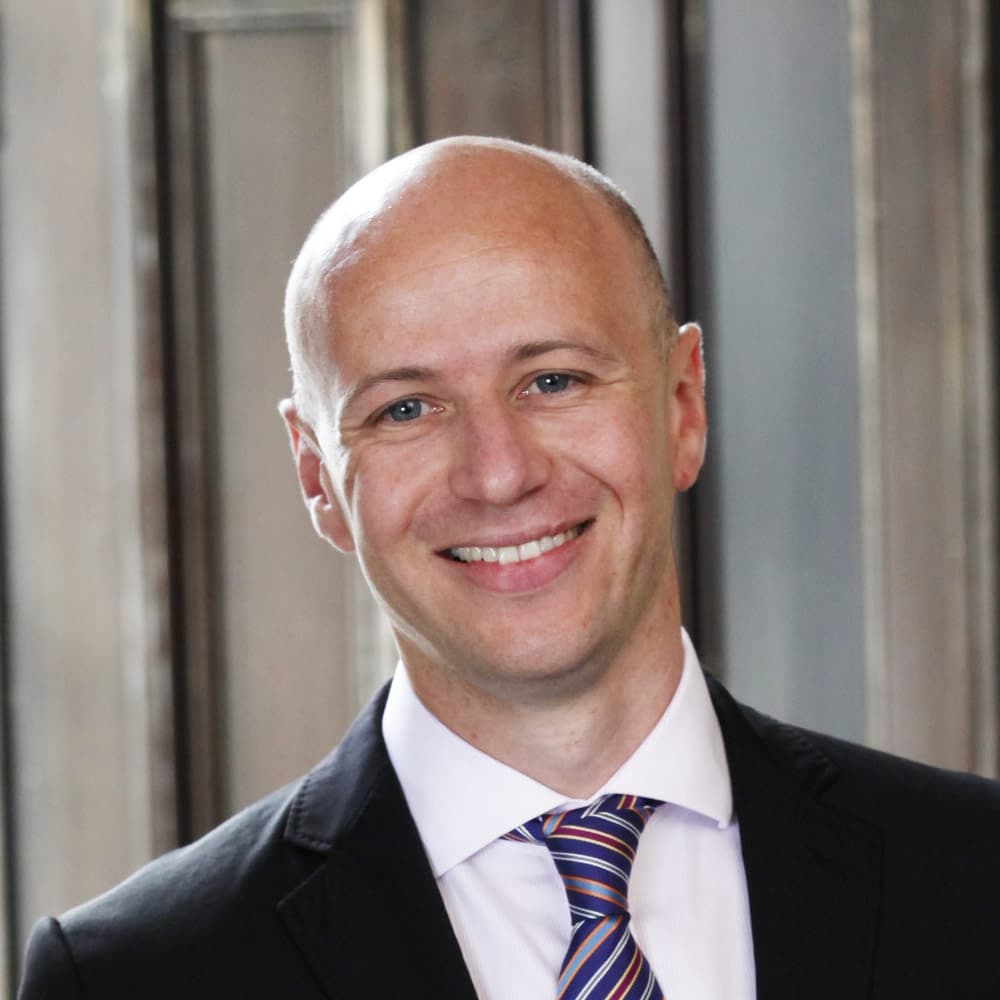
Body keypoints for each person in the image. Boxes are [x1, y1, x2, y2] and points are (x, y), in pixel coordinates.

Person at [17, 136, 1000, 999]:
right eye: (405, 408)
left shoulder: (973, 879)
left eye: (554, 380)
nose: (498, 473)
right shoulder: (137, 976)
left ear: (682, 405)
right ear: (317, 477)